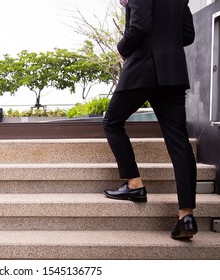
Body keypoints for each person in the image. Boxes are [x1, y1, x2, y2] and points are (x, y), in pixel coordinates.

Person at [102, 0, 198, 240]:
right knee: (179, 142)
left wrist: (122, 48)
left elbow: (140, 27)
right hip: (173, 71)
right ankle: (185, 216)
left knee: (112, 122)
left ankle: (135, 184)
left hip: (143, 69)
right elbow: (188, 35)